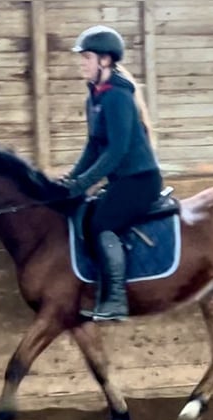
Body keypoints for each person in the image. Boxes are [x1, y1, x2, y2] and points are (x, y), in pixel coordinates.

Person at [57, 24, 163, 322]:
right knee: (88, 217)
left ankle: (116, 299)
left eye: (87, 57)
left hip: (140, 181)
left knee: (102, 223)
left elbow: (116, 151)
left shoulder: (117, 96)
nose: (82, 63)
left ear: (105, 60)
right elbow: (93, 145)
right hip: (122, 181)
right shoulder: (94, 97)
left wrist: (85, 183)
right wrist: (73, 179)